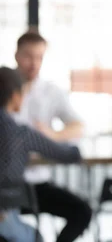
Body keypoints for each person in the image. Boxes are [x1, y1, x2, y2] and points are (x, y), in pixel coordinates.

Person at [11, 32, 91, 242]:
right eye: (28, 56)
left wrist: (52, 135)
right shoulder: (6, 90)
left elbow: (78, 127)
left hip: (37, 182)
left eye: (39, 57)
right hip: (7, 184)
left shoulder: (51, 92)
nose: (34, 63)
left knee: (81, 211)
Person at [0, 67, 81, 242]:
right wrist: (61, 138)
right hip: (5, 216)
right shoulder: (20, 133)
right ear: (15, 96)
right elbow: (68, 155)